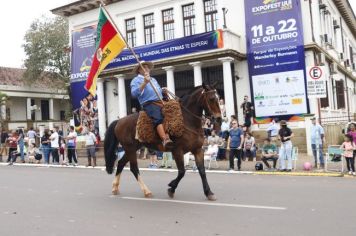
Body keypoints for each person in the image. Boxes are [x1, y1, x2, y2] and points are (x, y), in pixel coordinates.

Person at [130, 61, 173, 149]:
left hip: (161, 101)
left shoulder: (153, 79)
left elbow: (157, 91)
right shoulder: (136, 80)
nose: (146, 68)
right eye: (144, 67)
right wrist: (145, 82)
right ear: (139, 70)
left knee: (173, 112)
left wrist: (162, 90)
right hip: (149, 103)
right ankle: (164, 139)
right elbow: (134, 94)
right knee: (158, 118)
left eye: (147, 67)